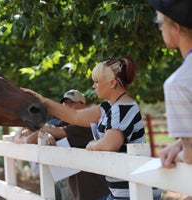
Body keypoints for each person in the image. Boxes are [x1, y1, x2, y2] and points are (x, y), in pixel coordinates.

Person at [22, 55, 161, 200]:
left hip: (134, 193)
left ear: (113, 83)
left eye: (97, 82)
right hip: (122, 191)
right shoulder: (109, 106)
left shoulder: (122, 108)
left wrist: (92, 145)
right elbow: (74, 116)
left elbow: (109, 144)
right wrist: (43, 101)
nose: (93, 86)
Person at [15, 89, 110, 200]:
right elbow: (29, 140)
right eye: (65, 103)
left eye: (72, 102)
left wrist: (46, 131)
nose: (67, 106)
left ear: (83, 105)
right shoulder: (62, 123)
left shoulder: (87, 125)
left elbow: (58, 132)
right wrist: (46, 133)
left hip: (97, 191)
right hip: (76, 190)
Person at [147, 0, 192, 169]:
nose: (159, 29)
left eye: (160, 23)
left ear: (176, 27)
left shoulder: (178, 83)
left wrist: (179, 155)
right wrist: (181, 143)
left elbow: (191, 156)